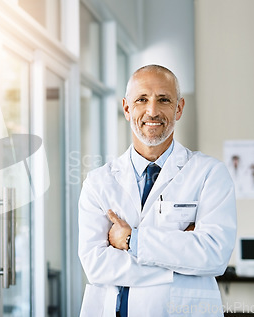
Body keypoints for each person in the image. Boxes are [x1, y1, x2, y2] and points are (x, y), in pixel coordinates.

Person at [78, 65, 236, 316]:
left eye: (163, 100)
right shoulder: (98, 182)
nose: (152, 111)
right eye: (142, 99)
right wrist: (181, 257)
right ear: (127, 108)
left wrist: (132, 241)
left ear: (179, 108)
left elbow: (214, 255)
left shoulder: (210, 174)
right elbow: (96, 266)